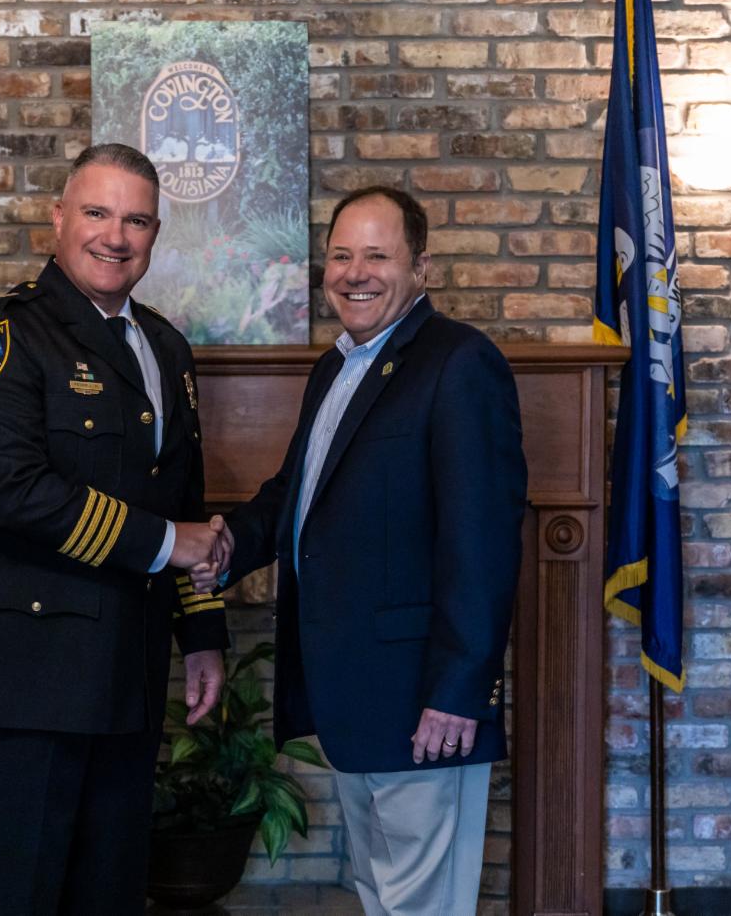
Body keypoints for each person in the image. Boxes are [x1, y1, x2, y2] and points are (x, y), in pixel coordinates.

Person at [193, 186, 527, 916]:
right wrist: (224, 547)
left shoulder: (460, 362)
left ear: (421, 267)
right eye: (341, 256)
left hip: (424, 702)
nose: (355, 273)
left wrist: (458, 692)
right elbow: (295, 496)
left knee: (424, 905)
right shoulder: (336, 367)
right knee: (380, 894)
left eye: (377, 255)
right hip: (356, 697)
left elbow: (483, 541)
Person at [0, 143, 229, 915]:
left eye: (137, 220)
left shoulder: (165, 347)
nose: (116, 236)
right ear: (58, 217)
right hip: (28, 681)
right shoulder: (2, 336)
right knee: (17, 899)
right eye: (97, 213)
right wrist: (167, 543)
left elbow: (184, 498)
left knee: (111, 897)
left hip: (128, 676)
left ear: (156, 233)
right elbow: (14, 490)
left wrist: (202, 635)